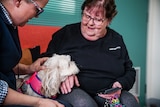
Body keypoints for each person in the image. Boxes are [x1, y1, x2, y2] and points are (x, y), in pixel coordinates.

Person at [41, 0, 140, 107]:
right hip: (75, 91)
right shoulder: (65, 34)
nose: (90, 23)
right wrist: (64, 74)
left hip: (108, 93)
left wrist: (120, 84)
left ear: (108, 20)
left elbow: (129, 70)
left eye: (97, 19)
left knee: (130, 102)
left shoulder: (116, 39)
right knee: (85, 104)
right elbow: (46, 61)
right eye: (87, 16)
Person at [0, 0, 72, 107]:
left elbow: (4, 65)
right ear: (18, 2)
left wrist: (28, 69)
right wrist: (38, 102)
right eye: (37, 10)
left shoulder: (10, 24)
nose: (37, 16)